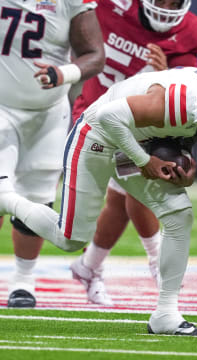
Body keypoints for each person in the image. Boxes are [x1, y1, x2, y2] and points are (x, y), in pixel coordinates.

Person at [0, 66, 197, 335]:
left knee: (178, 213)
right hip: (96, 136)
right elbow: (109, 117)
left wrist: (186, 166)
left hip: (132, 141)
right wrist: (144, 161)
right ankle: (7, 199)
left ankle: (165, 315)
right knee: (69, 239)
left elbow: (184, 132)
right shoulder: (187, 103)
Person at [70, 0, 197, 306]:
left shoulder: (192, 31)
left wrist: (166, 77)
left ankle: (89, 267)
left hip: (140, 121)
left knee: (125, 194)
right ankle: (155, 261)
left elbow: (187, 86)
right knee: (136, 184)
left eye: (172, 1)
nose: (164, 5)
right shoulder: (108, 6)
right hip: (96, 113)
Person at [0, 0, 105, 308]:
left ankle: (23, 281)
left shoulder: (72, 2)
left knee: (37, 198)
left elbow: (95, 55)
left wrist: (64, 73)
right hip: (0, 106)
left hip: (47, 113)